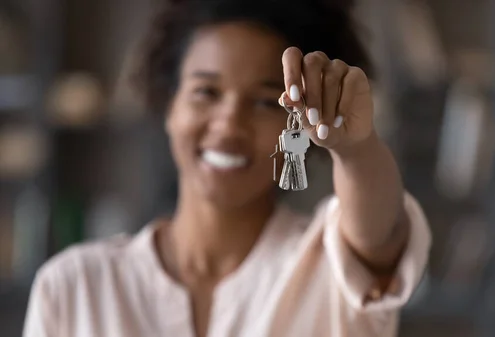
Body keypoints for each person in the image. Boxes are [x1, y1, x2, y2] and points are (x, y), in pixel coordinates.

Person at [23, 0, 431, 336]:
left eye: (265, 102)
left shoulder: (330, 264)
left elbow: (380, 235)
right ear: (169, 104)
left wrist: (355, 148)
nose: (228, 125)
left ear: (296, 124)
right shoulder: (73, 287)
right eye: (206, 92)